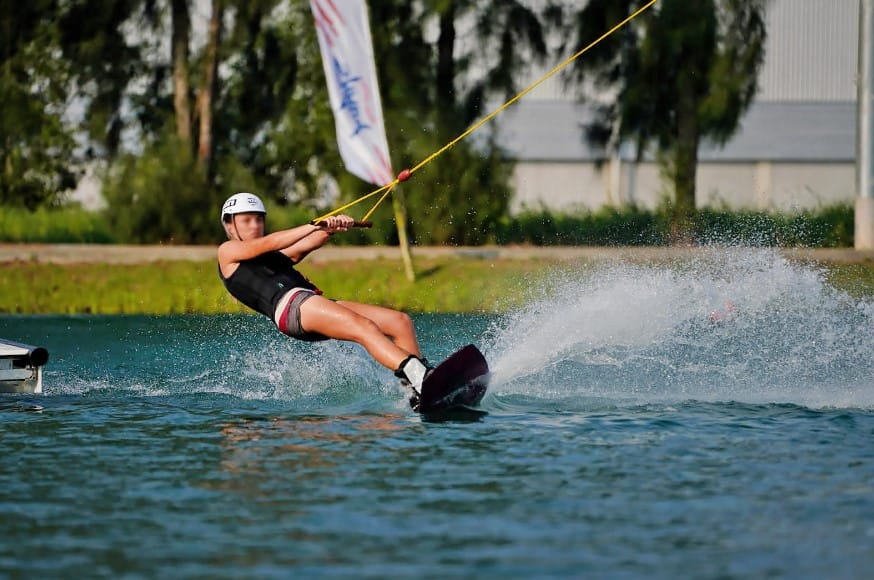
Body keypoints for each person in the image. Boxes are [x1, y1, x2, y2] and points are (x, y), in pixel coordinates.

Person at [217, 192, 431, 400]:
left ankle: (415, 393)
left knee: (400, 322)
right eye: (246, 220)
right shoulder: (227, 252)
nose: (254, 225)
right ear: (229, 225)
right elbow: (272, 242)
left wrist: (333, 227)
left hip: (312, 303)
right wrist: (313, 224)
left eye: (258, 219)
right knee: (364, 327)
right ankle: (419, 376)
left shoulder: (273, 256)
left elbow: (306, 242)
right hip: (292, 308)